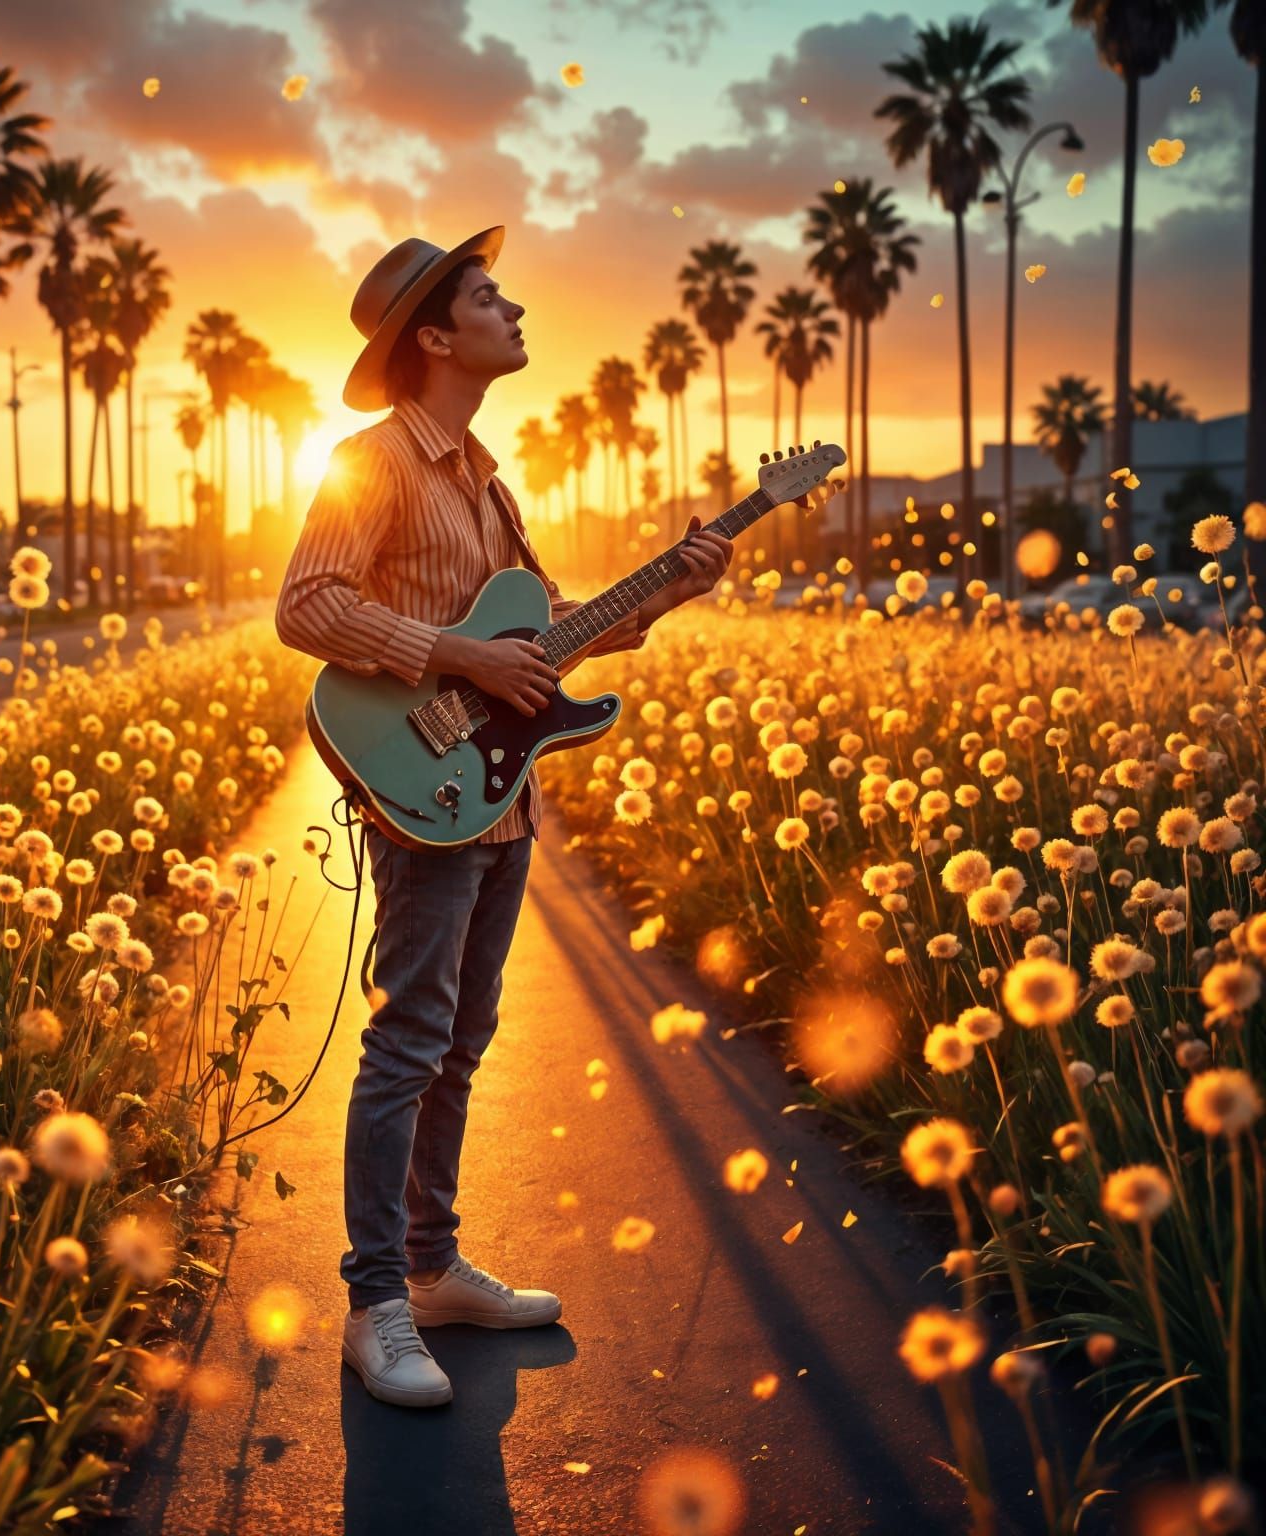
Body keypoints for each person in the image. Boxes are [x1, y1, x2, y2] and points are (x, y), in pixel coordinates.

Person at [275, 224, 732, 1408]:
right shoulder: (372, 461)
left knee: (462, 1042)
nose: (514, 309)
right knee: (407, 1045)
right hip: (424, 798)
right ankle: (376, 1302)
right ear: (433, 337)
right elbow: (308, 605)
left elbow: (544, 639)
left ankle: (432, 1269)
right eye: (488, 296)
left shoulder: (487, 479)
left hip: (502, 801)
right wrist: (459, 656)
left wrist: (669, 590)